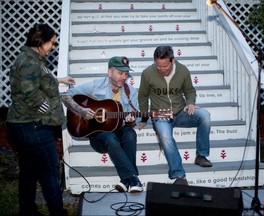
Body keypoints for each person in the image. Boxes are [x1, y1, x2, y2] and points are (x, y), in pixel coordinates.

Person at [6, 23, 75, 216]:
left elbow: (37, 79)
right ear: (40, 41)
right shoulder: (30, 61)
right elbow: (30, 92)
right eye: (51, 43)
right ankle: (57, 213)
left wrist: (59, 80)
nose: (52, 47)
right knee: (49, 173)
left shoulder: (31, 58)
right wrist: (45, 108)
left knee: (29, 172)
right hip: (34, 126)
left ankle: (28, 211)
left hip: (22, 125)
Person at [61, 56, 143, 193]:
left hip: (119, 129)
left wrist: (131, 121)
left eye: (126, 73)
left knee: (130, 134)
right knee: (110, 138)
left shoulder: (131, 92)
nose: (124, 77)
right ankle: (133, 177)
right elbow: (65, 96)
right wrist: (82, 110)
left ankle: (125, 180)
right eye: (120, 73)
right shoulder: (96, 86)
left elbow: (134, 117)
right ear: (110, 72)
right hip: (99, 136)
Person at [138, 45, 212, 186]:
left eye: (165, 66)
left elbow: (190, 91)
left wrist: (190, 102)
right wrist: (144, 117)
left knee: (205, 115)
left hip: (181, 112)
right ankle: (179, 175)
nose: (161, 70)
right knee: (165, 136)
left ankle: (201, 156)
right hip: (161, 115)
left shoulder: (183, 70)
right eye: (158, 66)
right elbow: (142, 97)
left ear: (172, 60)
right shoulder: (147, 73)